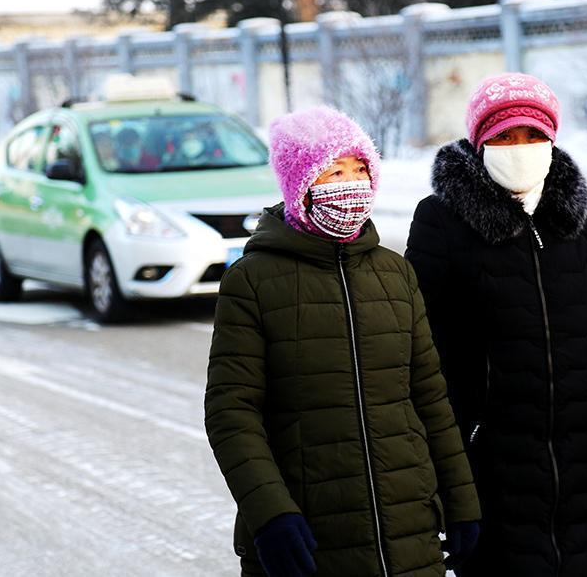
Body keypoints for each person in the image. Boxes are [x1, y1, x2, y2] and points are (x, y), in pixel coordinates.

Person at [405, 73, 587, 576]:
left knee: (574, 560)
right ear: (479, 142)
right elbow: (415, 344)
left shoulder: (576, 214)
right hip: (486, 454)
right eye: (504, 136)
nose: (520, 148)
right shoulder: (441, 220)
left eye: (533, 135)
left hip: (576, 447)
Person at [205, 106, 481, 577]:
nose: (351, 184)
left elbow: (430, 398)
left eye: (360, 169)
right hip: (309, 534)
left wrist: (462, 500)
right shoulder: (252, 281)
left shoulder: (394, 273)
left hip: (409, 529)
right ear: (301, 185)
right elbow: (232, 413)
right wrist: (269, 512)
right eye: (334, 171)